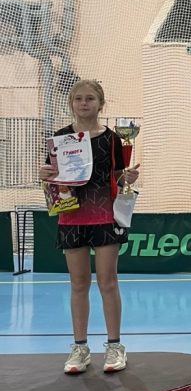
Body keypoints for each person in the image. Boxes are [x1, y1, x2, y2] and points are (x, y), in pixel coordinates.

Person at [38, 79, 140, 375]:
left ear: (100, 104)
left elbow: (117, 176)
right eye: (79, 98)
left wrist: (126, 179)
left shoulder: (113, 139)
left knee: (108, 282)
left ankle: (115, 346)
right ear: (72, 103)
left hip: (105, 217)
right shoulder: (60, 138)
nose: (84, 103)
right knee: (79, 284)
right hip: (71, 218)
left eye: (90, 99)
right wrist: (44, 175)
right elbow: (53, 181)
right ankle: (80, 348)